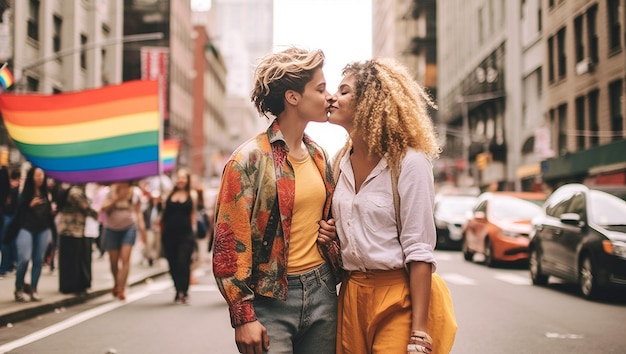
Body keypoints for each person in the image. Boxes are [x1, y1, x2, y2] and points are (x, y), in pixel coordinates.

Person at [212, 47, 339, 354]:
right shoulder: (247, 160)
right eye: (320, 89)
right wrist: (243, 317)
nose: (329, 96)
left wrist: (331, 236)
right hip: (270, 301)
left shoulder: (319, 156)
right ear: (293, 97)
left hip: (323, 292)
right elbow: (228, 245)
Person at [326, 58, 440, 354]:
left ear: (370, 101)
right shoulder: (337, 163)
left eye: (344, 91)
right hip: (351, 296)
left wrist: (420, 332)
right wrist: (329, 233)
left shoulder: (410, 162)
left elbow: (420, 249)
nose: (332, 98)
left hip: (397, 296)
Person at [12, 167, 54, 302]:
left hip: (43, 229)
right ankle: (19, 287)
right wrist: (30, 204)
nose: (40, 178)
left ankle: (34, 289)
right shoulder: (25, 193)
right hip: (26, 228)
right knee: (24, 258)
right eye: (37, 175)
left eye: (42, 175)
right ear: (32, 177)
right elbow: (17, 211)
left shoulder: (46, 193)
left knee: (38, 260)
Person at [100, 180, 146, 300]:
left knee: (125, 258)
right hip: (111, 229)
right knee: (113, 261)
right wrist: (117, 198)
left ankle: (121, 288)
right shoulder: (110, 192)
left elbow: (138, 212)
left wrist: (142, 228)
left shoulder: (135, 193)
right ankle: (116, 282)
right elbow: (102, 208)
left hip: (129, 228)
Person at [160, 168, 197, 304]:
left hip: (186, 234)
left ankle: (185, 291)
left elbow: (193, 215)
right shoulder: (169, 195)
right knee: (173, 263)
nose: (180, 180)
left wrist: (195, 235)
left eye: (183, 177)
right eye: (178, 177)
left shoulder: (192, 195)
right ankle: (177, 290)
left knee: (183, 262)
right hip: (169, 234)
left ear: (187, 180)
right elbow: (163, 214)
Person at [57, 184, 98, 295]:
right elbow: (84, 206)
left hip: (77, 230)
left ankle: (76, 285)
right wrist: (97, 214)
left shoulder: (80, 190)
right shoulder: (75, 191)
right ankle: (70, 286)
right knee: (71, 259)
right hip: (70, 229)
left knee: (76, 259)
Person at [0, 168, 20, 276]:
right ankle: (10, 265)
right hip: (9, 216)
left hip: (8, 216)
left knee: (5, 242)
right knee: (10, 242)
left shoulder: (12, 190)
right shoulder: (12, 189)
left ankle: (5, 267)